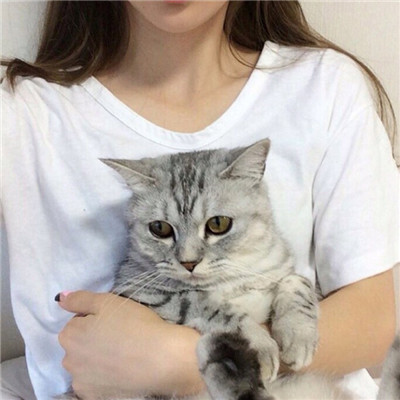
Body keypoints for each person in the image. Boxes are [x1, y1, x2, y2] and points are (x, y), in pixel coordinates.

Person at [1, 1, 398, 399]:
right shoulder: (22, 112)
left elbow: (374, 320)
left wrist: (184, 361)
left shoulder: (325, 86)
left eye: (217, 225)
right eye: (161, 229)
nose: (188, 257)